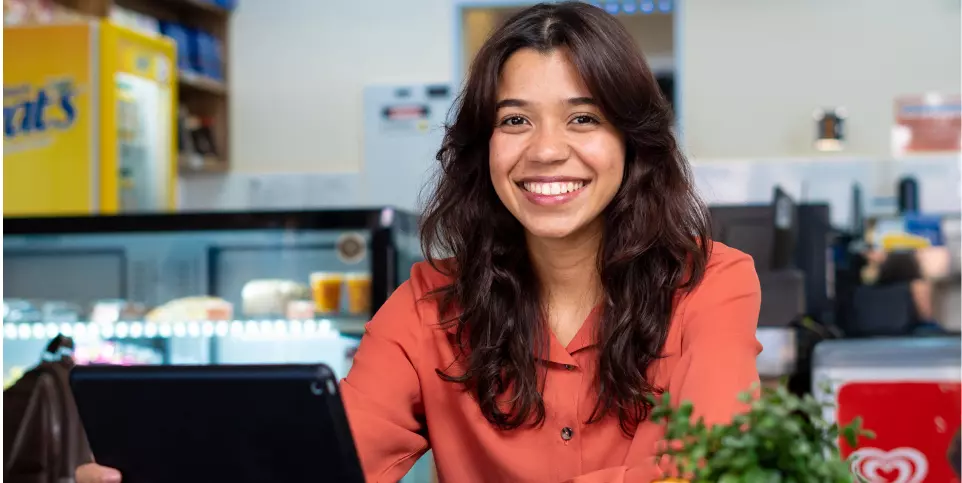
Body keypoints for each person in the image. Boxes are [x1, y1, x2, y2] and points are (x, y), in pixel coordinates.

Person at [76, 2, 762, 482]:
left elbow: (706, 468)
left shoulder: (712, 284)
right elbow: (327, 460)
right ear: (483, 147)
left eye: (583, 118)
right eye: (515, 120)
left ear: (631, 143)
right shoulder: (431, 304)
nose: (547, 151)